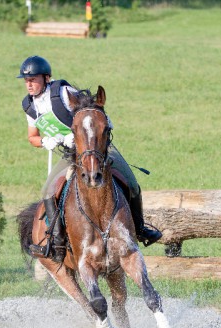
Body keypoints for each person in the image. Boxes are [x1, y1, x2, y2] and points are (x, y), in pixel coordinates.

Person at [18, 55, 162, 262]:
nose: (29, 84)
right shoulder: (30, 106)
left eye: (33, 79)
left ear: (46, 78)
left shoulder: (62, 93)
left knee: (131, 182)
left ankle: (140, 229)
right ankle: (56, 242)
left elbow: (91, 107)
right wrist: (46, 141)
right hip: (71, 155)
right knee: (48, 191)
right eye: (26, 80)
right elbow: (32, 137)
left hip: (95, 147)